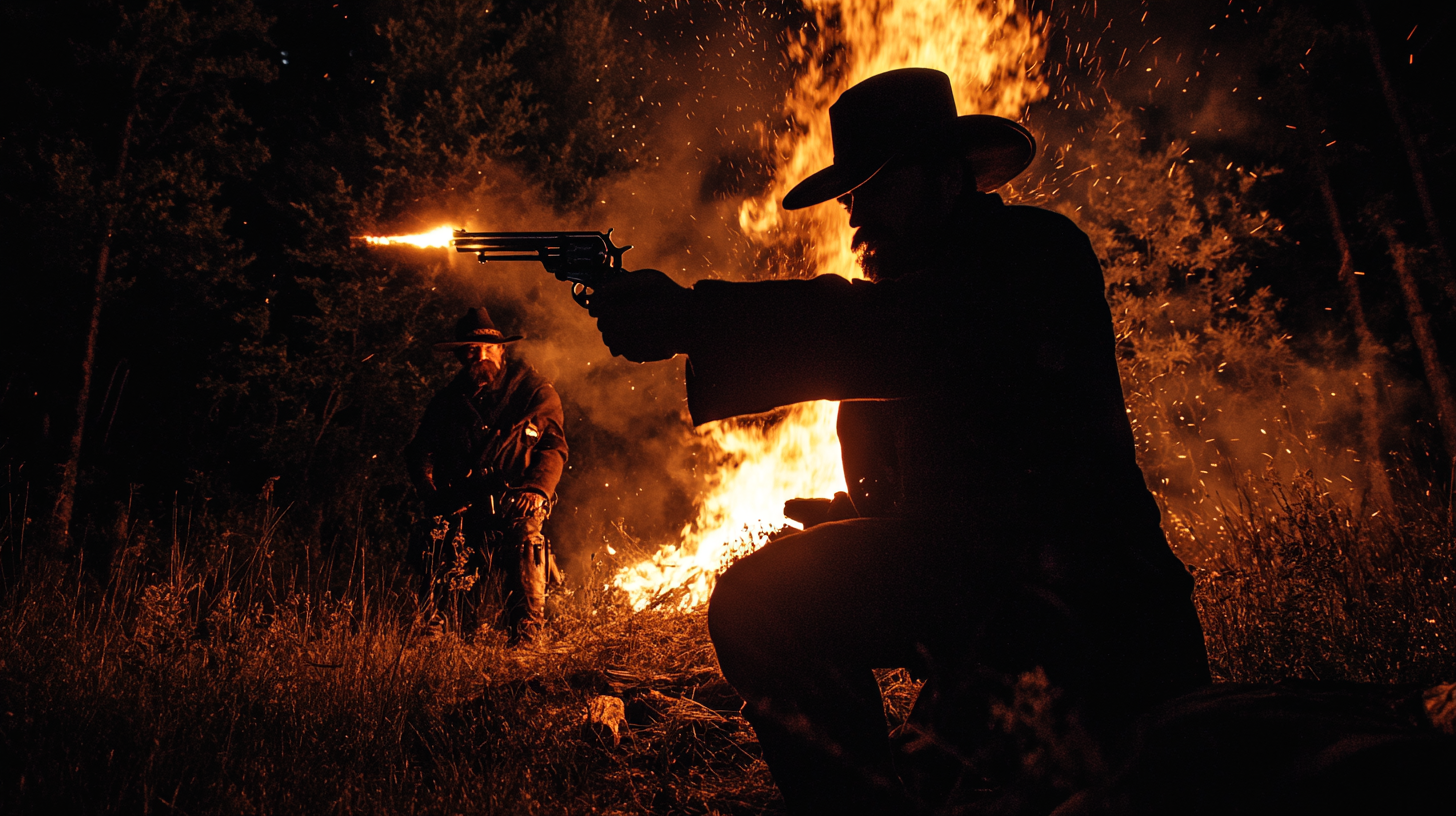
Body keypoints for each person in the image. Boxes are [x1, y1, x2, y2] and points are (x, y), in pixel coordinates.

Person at [583, 68, 1211, 814]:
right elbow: (933, 470)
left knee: (762, 604)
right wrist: (857, 519)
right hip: (988, 611)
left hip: (1089, 615)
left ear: (947, 180)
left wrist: (694, 318)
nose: (854, 221)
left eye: (874, 191)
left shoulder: (1033, 253)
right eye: (852, 200)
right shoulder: (915, 301)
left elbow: (915, 337)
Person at [405, 307, 568, 646]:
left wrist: (537, 489)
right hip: (465, 500)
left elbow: (553, 447)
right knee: (436, 542)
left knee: (525, 536)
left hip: (517, 496)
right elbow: (420, 451)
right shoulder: (447, 401)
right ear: (461, 356)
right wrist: (432, 496)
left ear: (502, 350)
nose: (480, 355)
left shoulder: (534, 392)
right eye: (471, 350)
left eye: (487, 348)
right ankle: (436, 633)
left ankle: (527, 633)